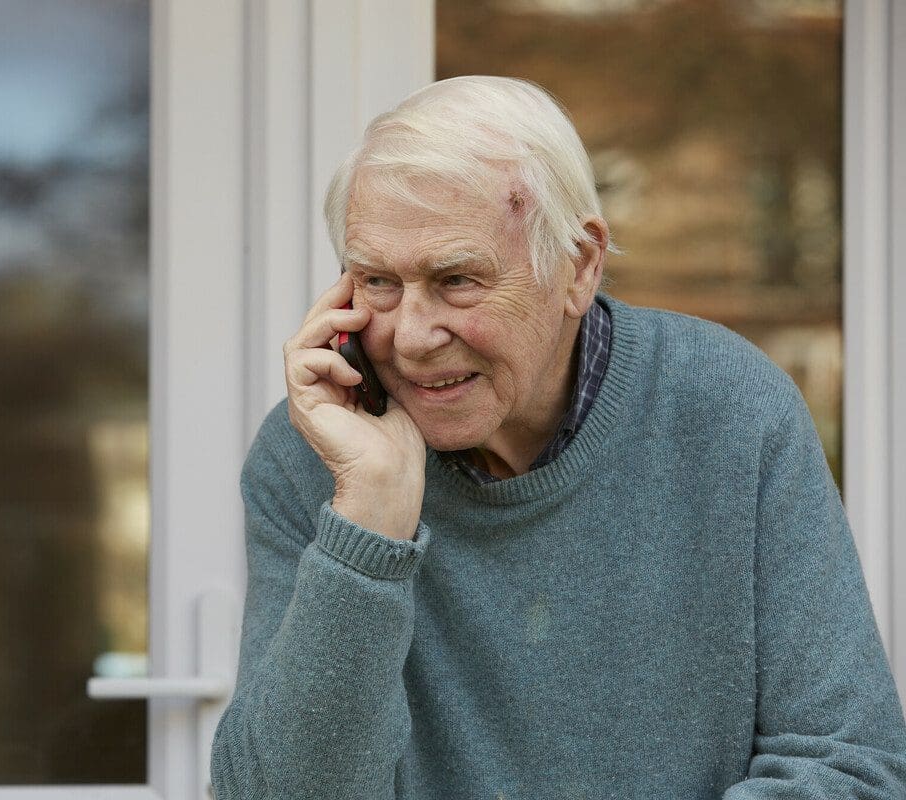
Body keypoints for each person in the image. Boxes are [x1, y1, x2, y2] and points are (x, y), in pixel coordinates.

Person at [209, 76, 906, 799]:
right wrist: (369, 522)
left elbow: (848, 765)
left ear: (579, 265)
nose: (411, 337)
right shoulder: (313, 455)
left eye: (457, 280)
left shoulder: (729, 408)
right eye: (377, 282)